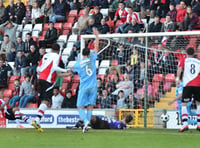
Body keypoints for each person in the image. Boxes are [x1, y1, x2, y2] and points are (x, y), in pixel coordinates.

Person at [64, 28, 100, 133]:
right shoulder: (92, 58)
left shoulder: (78, 64)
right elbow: (96, 48)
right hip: (93, 85)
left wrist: (62, 73)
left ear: (82, 54)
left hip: (84, 86)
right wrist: (97, 36)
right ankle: (86, 124)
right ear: (89, 54)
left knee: (79, 106)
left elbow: (71, 73)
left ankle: (85, 120)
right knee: (90, 106)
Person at [31, 43, 68, 132]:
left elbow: (38, 69)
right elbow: (55, 67)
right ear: (59, 51)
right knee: (46, 101)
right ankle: (36, 119)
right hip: (48, 80)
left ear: (51, 49)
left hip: (40, 79)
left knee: (44, 99)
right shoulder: (57, 56)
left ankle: (37, 121)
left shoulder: (45, 55)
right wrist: (65, 70)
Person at [176, 47, 200, 132]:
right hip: (197, 84)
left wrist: (178, 79)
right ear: (194, 53)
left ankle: (185, 125)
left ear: (186, 53)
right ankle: (199, 124)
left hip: (187, 85)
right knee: (198, 103)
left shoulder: (184, 60)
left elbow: (180, 69)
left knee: (184, 104)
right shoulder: (198, 61)